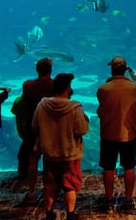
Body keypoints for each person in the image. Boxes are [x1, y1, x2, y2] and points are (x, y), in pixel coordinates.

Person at [33, 73, 89, 220]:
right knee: (70, 185)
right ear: (67, 88)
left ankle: (49, 213)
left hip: (49, 154)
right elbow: (82, 130)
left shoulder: (42, 105)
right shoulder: (75, 107)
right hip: (70, 154)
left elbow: (34, 127)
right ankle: (70, 214)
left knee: (49, 185)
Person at [97, 56, 136, 213]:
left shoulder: (103, 89)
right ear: (125, 69)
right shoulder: (135, 88)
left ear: (112, 69)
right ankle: (128, 201)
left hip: (109, 132)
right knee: (129, 167)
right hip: (129, 133)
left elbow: (102, 110)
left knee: (109, 168)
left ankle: (109, 202)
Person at [16, 57, 55, 204]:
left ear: (37, 70)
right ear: (50, 70)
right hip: (51, 128)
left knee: (32, 160)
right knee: (50, 161)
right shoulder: (54, 85)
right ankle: (50, 190)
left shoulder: (27, 85)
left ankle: (31, 191)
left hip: (33, 126)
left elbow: (25, 102)